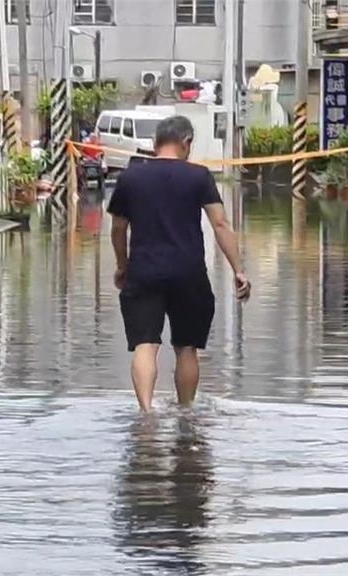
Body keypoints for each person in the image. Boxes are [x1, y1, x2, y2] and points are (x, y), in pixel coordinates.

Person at [107, 115, 250, 412]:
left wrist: (123, 266)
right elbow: (221, 225)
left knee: (146, 345)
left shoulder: (130, 178)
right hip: (189, 274)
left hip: (144, 272)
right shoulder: (198, 176)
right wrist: (238, 269)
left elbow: (118, 230)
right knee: (187, 348)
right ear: (186, 143)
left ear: (154, 143)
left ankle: (146, 413)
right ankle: (186, 411)